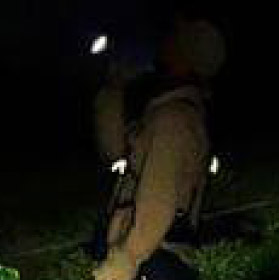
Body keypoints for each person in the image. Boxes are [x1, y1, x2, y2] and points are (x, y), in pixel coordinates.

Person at [90, 17, 226, 280]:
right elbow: (115, 153)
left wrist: (124, 262)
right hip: (137, 244)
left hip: (152, 255)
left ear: (185, 56)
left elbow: (158, 201)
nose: (165, 42)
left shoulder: (173, 120)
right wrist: (114, 89)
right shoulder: (161, 110)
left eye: (175, 38)